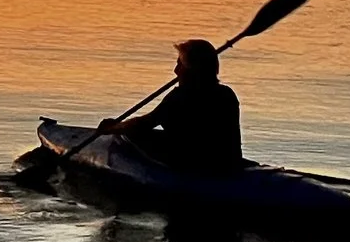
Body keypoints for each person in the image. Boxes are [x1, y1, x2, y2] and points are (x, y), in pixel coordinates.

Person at [101, 39, 244, 175]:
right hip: (226, 164)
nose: (176, 71)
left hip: (194, 165)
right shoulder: (227, 94)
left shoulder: (180, 97)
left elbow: (144, 123)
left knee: (134, 134)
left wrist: (114, 128)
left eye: (180, 64)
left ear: (191, 69)